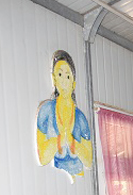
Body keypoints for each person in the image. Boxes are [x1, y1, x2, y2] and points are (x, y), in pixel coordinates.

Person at [36, 50, 93, 179]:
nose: (64, 81)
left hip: (79, 175)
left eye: (68, 76)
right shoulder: (46, 111)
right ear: (54, 79)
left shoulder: (80, 118)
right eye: (60, 75)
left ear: (74, 83)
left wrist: (73, 143)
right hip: (54, 179)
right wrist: (60, 140)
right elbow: (43, 158)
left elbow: (89, 161)